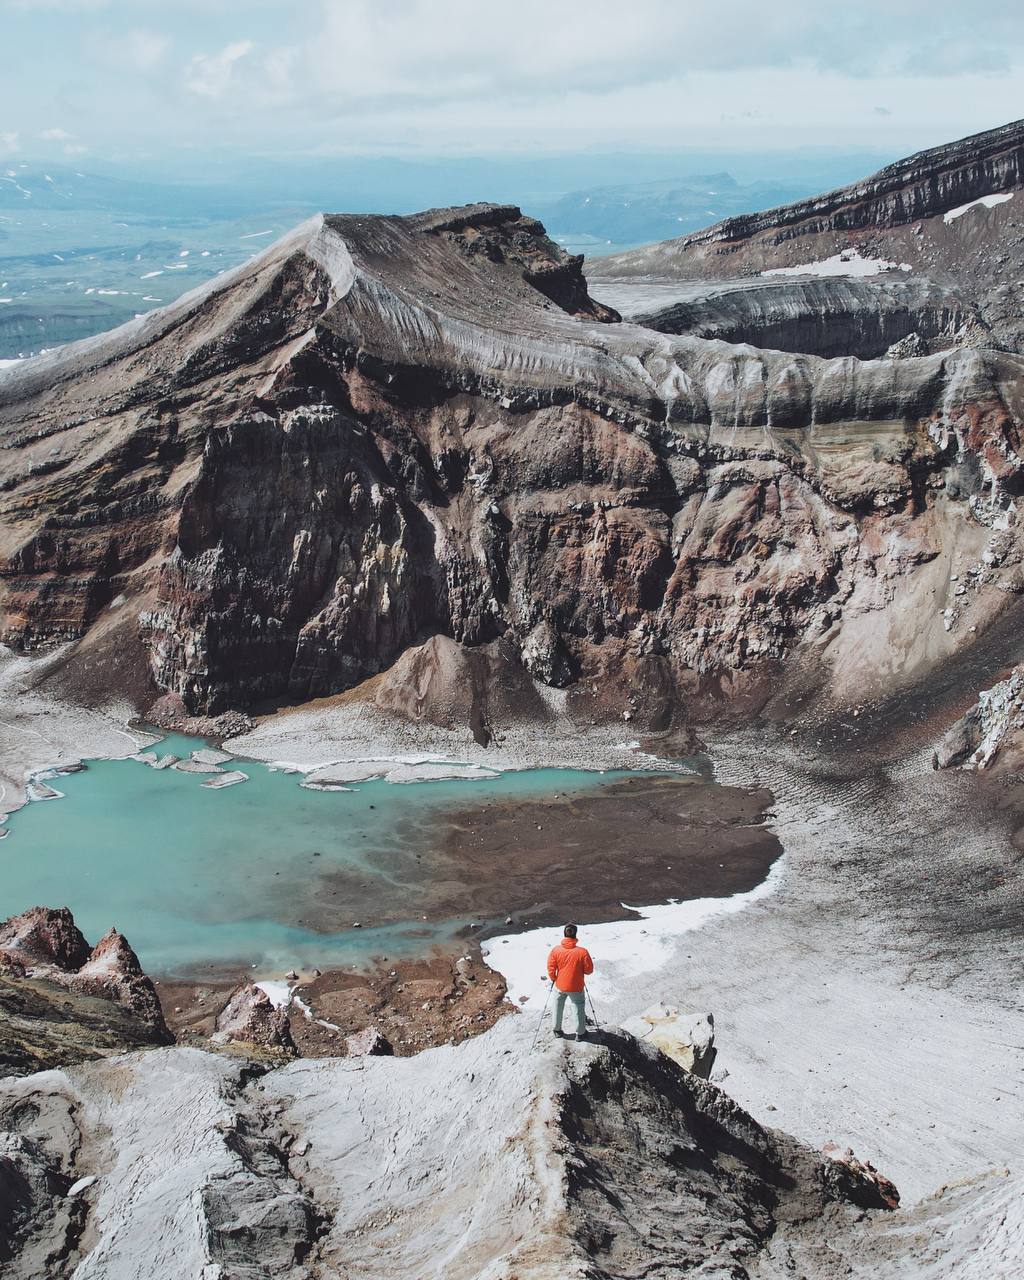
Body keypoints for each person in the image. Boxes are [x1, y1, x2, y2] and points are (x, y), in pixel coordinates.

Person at [546, 923, 593, 1039]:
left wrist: (554, 978)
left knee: (557, 1005)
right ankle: (580, 1033)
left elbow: (551, 967)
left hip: (560, 984)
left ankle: (557, 1030)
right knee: (578, 1006)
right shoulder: (582, 952)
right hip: (576, 986)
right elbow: (589, 970)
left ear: (564, 934)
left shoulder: (556, 950)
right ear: (575, 934)